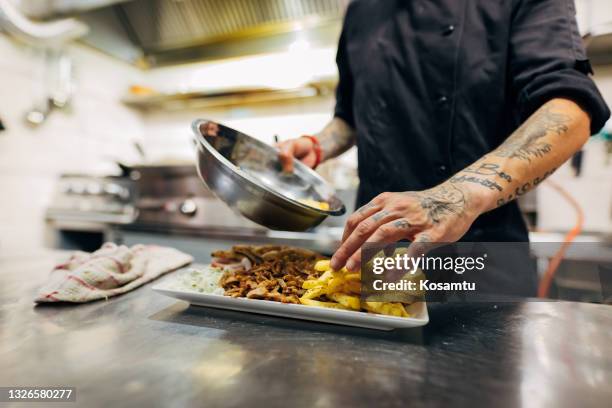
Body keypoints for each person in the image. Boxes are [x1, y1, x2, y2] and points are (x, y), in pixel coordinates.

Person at [277, 0, 610, 284]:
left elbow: (570, 108)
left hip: (480, 255)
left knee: (479, 357)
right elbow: (350, 116)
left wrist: (457, 198)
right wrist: (318, 144)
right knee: (382, 356)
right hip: (386, 252)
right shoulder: (362, 10)